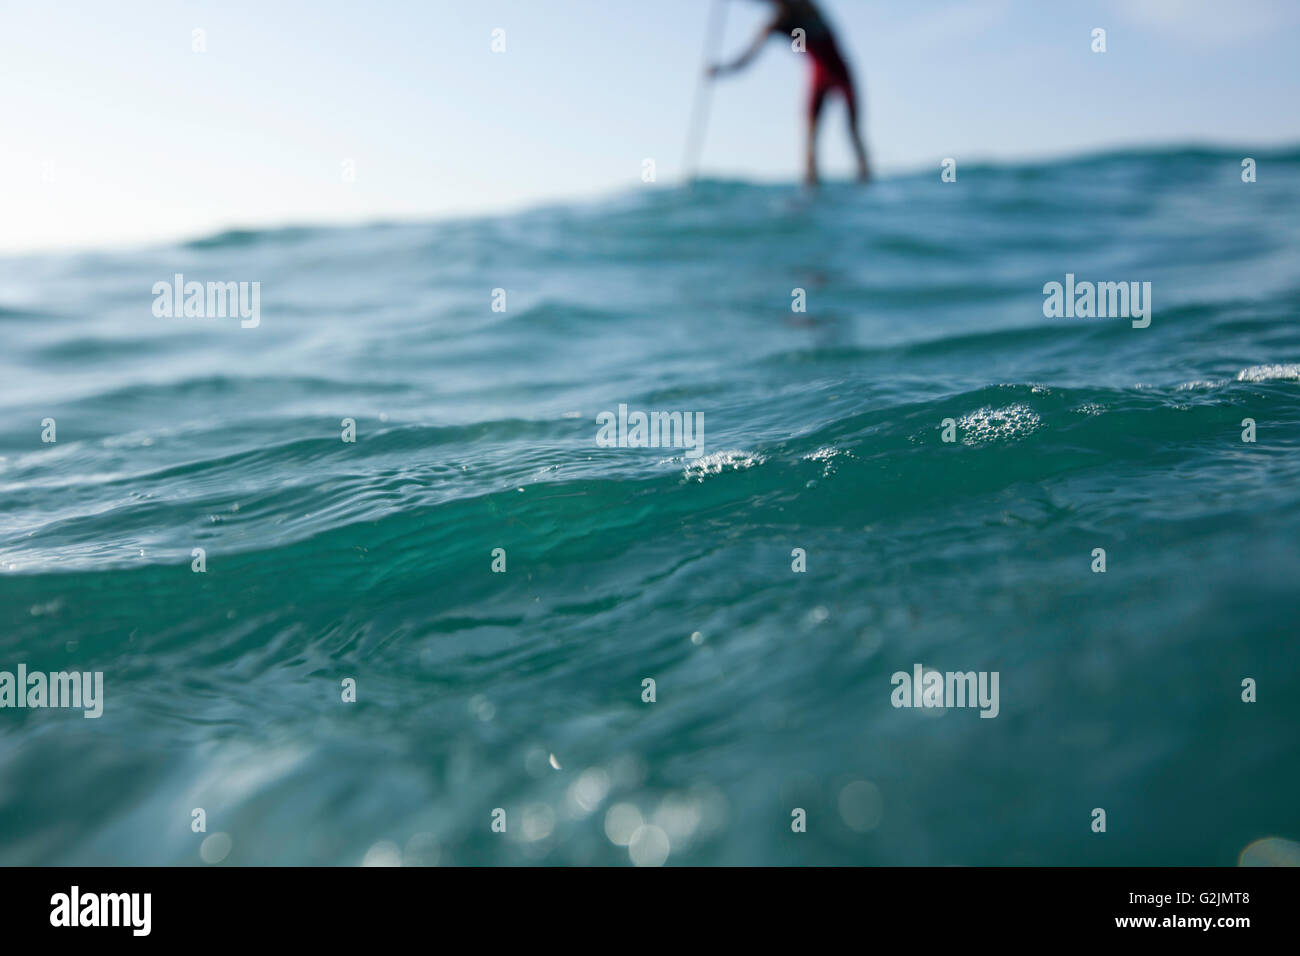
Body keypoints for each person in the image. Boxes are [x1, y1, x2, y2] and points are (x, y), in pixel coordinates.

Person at [710, 0, 870, 186]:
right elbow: (748, 59)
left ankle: (865, 180)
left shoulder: (806, 7)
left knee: (853, 131)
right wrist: (722, 70)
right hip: (818, 76)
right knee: (810, 140)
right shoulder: (776, 26)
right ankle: (811, 188)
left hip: (840, 71)